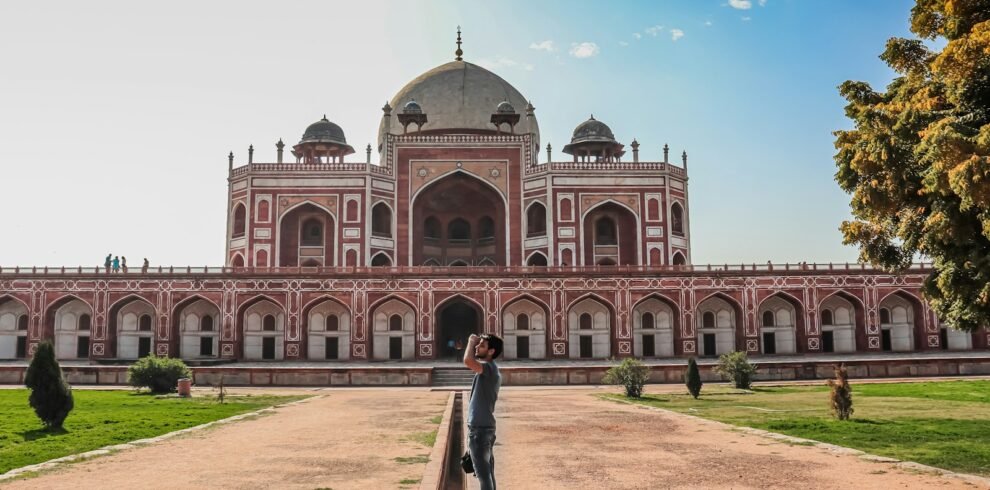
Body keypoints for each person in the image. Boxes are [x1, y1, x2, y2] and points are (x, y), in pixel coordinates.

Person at [463, 333, 503, 490]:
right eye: (478, 344)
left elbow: (468, 361)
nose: (477, 347)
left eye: (482, 345)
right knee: (487, 473)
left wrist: (470, 341)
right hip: (484, 428)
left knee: (483, 476)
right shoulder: (490, 370)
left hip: (480, 430)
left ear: (491, 351)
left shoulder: (489, 369)